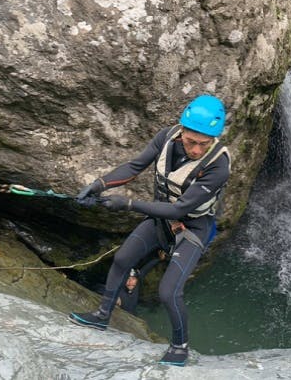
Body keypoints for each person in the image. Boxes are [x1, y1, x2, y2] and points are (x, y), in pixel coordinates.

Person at [69, 94, 231, 367]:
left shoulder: (218, 165)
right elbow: (134, 167)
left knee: (168, 291)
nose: (196, 150)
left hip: (193, 227)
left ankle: (180, 348)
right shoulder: (166, 137)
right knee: (122, 259)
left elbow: (180, 209)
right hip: (161, 220)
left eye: (204, 144)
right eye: (191, 142)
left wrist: (129, 204)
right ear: (182, 131)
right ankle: (102, 315)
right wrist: (98, 185)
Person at [114, 250, 166, 315]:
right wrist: (114, 298)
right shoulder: (119, 291)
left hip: (133, 315)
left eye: (133, 279)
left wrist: (158, 259)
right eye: (127, 279)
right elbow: (101, 288)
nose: (130, 282)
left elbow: (146, 268)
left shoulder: (137, 281)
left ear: (136, 279)